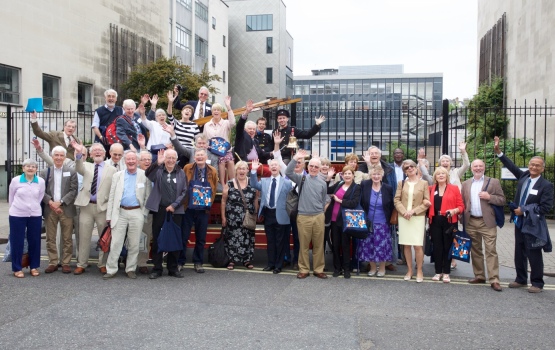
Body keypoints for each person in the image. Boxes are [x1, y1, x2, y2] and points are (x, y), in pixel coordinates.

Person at [494, 136, 554, 293]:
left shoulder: (546, 186)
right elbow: (511, 166)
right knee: (519, 250)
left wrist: (525, 210)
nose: (534, 167)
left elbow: (546, 207)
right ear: (529, 165)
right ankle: (521, 279)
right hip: (519, 221)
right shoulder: (524, 177)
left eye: (537, 166)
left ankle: (537, 283)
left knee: (533, 251)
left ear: (542, 169)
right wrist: (499, 152)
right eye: (532, 164)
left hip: (533, 223)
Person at [103, 151, 151, 279]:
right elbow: (112, 197)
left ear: (137, 161)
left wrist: (143, 214)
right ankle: (111, 269)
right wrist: (109, 216)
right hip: (120, 212)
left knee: (134, 243)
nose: (131, 162)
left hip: (137, 212)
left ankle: (130, 268)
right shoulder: (117, 176)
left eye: (133, 159)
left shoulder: (144, 175)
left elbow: (147, 196)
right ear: (125, 161)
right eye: (128, 159)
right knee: (116, 243)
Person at [72, 142, 118, 275]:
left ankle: (103, 264)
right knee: (84, 237)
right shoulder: (85, 166)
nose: (98, 152)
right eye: (95, 151)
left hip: (102, 208)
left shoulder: (112, 169)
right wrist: (79, 153)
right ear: (91, 154)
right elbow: (78, 166)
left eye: (100, 150)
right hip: (86, 206)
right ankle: (81, 264)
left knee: (104, 238)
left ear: (104, 154)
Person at [461, 159, 505, 291]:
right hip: (471, 221)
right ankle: (479, 275)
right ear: (471, 168)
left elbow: (502, 200)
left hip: (487, 222)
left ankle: (494, 279)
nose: (478, 168)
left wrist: (489, 197)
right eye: (475, 166)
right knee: (475, 250)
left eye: (480, 166)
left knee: (491, 250)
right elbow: (463, 202)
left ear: (484, 167)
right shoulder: (466, 184)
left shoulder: (494, 182)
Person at [145, 149, 188, 279]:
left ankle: (172, 268)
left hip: (176, 211)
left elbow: (185, 192)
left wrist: (174, 205)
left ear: (176, 159)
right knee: (158, 239)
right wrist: (157, 163)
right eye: (168, 158)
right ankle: (157, 269)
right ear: (164, 158)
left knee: (174, 239)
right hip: (159, 209)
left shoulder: (181, 172)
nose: (170, 160)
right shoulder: (158, 171)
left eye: (173, 158)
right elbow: (148, 174)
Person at [286, 150, 328, 279]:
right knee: (303, 245)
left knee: (318, 245)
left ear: (320, 168)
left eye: (316, 167)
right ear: (307, 167)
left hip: (318, 216)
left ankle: (318, 269)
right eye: (311, 166)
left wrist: (319, 212)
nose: (314, 168)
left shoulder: (322, 182)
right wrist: (295, 158)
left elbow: (323, 199)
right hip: (303, 216)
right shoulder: (301, 178)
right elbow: (288, 172)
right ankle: (303, 269)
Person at [250, 158, 292, 274]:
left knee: (280, 241)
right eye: (271, 165)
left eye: (276, 165)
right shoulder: (264, 181)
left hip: (281, 214)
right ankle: (270, 264)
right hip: (268, 213)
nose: (274, 167)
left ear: (279, 168)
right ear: (269, 168)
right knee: (270, 241)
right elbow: (253, 184)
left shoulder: (287, 183)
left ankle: (278, 265)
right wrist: (253, 171)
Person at [180, 148, 219, 273]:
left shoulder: (212, 171)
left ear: (206, 156)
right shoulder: (187, 168)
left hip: (203, 210)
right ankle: (180, 261)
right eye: (198, 155)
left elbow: (213, 190)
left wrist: (209, 203)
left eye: (202, 155)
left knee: (201, 238)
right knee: (184, 236)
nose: (200, 157)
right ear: (194, 157)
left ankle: (198, 262)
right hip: (188, 208)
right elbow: (182, 185)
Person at [40, 146, 78, 274]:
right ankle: (53, 262)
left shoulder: (71, 171)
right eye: (56, 155)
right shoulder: (45, 172)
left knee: (67, 238)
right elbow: (41, 191)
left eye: (61, 155)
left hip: (66, 208)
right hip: (50, 209)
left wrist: (60, 202)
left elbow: (74, 190)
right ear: (52, 156)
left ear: (65, 157)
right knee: (50, 237)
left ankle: (66, 262)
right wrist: (51, 202)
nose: (59, 158)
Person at [362, 145, 399, 271]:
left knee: (385, 240)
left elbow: (393, 187)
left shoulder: (388, 168)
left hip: (385, 208)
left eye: (375, 153)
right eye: (371, 153)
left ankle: (386, 263)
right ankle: (370, 264)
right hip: (369, 213)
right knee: (369, 241)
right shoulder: (362, 167)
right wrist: (367, 165)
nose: (373, 155)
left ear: (380, 154)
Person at [394, 159, 430, 282]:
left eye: (411, 166)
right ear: (404, 171)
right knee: (406, 245)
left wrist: (413, 211)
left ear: (416, 168)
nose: (409, 168)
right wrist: (404, 212)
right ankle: (409, 270)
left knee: (418, 246)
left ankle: (419, 270)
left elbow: (426, 202)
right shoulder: (401, 183)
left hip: (417, 218)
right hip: (404, 217)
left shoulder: (424, 183)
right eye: (406, 168)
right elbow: (396, 200)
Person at [8, 159, 45, 278]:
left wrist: (33, 207)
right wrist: (17, 208)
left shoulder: (40, 181)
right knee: (17, 241)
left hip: (35, 214)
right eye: (28, 166)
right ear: (23, 168)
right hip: (17, 214)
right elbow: (11, 196)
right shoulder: (16, 180)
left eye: (33, 166)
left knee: (34, 241)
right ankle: (17, 268)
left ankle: (34, 266)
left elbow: (40, 196)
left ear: (36, 169)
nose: (30, 168)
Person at [428, 167, 465, 284]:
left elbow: (461, 206)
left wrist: (454, 210)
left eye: (443, 173)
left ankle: (447, 273)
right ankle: (438, 272)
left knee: (447, 247)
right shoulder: (431, 189)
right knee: (437, 247)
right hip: (435, 220)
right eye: (438, 174)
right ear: (435, 177)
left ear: (447, 176)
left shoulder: (454, 189)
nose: (441, 175)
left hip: (449, 221)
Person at [221, 161, 259, 270]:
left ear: (247, 170)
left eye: (244, 168)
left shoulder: (253, 183)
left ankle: (247, 260)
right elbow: (223, 201)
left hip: (248, 217)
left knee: (248, 238)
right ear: (236, 170)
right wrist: (223, 217)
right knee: (231, 238)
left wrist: (255, 214)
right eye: (239, 168)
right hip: (232, 218)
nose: (242, 171)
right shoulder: (229, 184)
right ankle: (231, 260)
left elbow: (256, 199)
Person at [359, 166, 394, 277]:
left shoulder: (387, 188)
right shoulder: (365, 185)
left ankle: (382, 268)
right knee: (368, 246)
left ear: (382, 175)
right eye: (374, 174)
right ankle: (373, 268)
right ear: (370, 175)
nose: (376, 176)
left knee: (382, 247)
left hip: (383, 222)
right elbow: (360, 201)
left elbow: (391, 205)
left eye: (378, 174)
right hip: (368, 222)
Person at [326, 166, 361, 279]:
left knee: (345, 245)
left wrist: (339, 200)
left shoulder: (356, 187)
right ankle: (337, 268)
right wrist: (328, 179)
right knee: (335, 245)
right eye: (345, 173)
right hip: (334, 219)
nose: (347, 175)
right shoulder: (339, 184)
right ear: (342, 175)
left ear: (353, 175)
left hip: (345, 220)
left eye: (349, 173)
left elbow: (354, 203)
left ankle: (346, 269)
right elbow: (327, 190)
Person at [203, 97, 236, 186]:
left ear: (221, 112)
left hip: (224, 151)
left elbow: (233, 122)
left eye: (218, 110)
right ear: (212, 112)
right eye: (214, 110)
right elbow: (205, 139)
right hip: (212, 151)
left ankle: (233, 184)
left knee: (229, 161)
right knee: (220, 161)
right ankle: (221, 184)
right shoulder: (207, 125)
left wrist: (228, 107)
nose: (216, 111)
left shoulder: (225, 123)